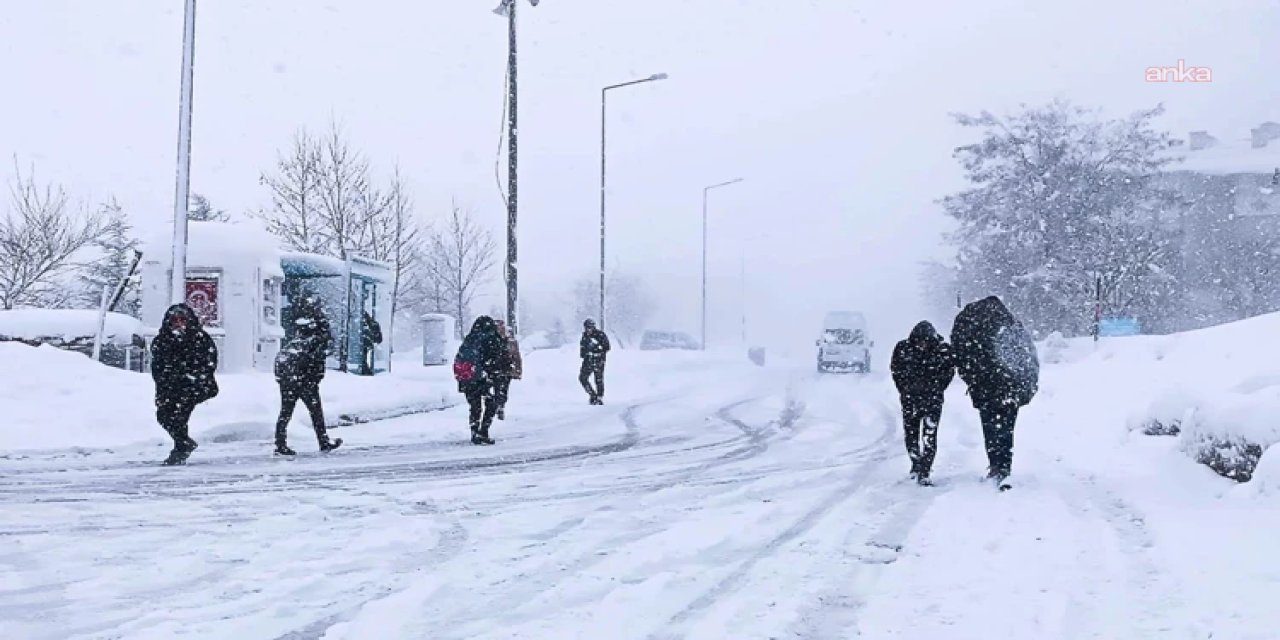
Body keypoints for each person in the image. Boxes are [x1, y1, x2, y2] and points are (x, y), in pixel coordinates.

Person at [951, 296, 1039, 489]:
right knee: (1006, 429)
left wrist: (973, 379)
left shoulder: (971, 326)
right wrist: (1026, 386)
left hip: (985, 389)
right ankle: (1004, 467)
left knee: (990, 428)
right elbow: (1027, 356)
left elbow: (961, 356)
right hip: (1011, 388)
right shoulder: (1010, 324)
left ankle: (995, 465)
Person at [150, 303, 219, 466]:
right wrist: (162, 388)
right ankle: (183, 443)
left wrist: (195, 378)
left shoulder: (200, 339)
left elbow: (209, 363)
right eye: (174, 320)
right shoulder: (161, 340)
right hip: (170, 387)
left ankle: (180, 449)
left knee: (179, 416)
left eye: (182, 320)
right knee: (164, 416)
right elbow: (157, 367)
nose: (178, 324)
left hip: (194, 386)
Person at [273, 298, 342, 456]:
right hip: (305, 381)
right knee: (316, 412)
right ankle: (323, 441)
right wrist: (313, 378)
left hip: (289, 379)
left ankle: (280, 443)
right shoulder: (317, 340)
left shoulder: (299, 339)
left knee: (285, 412)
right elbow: (315, 361)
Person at [890, 321, 955, 486]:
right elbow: (896, 370)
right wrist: (905, 389)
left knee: (929, 436)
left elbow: (949, 372)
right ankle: (916, 464)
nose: (922, 345)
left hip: (932, 400)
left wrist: (937, 388)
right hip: (910, 400)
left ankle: (925, 470)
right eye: (919, 342)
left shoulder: (942, 351)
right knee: (911, 435)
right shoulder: (903, 349)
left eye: (925, 342)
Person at [454, 316, 506, 445]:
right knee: (491, 403)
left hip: (468, 377)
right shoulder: (491, 338)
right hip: (484, 377)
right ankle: (484, 431)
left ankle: (474, 431)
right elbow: (495, 358)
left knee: (475, 406)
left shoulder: (470, 338)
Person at [492, 319, 523, 421]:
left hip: (504, 369)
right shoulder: (492, 340)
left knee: (501, 389)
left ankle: (499, 405)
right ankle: (499, 405)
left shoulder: (510, 341)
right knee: (500, 388)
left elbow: (516, 356)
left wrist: (518, 370)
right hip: (499, 369)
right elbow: (516, 356)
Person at [579, 319, 610, 405]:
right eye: (586, 327)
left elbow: (607, 347)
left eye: (590, 327)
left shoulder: (600, 335)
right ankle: (592, 395)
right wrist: (585, 352)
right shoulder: (585, 336)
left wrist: (597, 348)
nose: (588, 329)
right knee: (582, 378)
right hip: (587, 361)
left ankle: (599, 397)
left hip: (599, 360)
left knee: (598, 379)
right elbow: (582, 350)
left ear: (593, 327)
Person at [359, 310, 383, 376]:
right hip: (366, 345)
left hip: (363, 344)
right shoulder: (373, 323)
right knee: (363, 358)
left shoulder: (361, 324)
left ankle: (365, 370)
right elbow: (379, 339)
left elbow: (379, 338)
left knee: (362, 358)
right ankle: (365, 370)